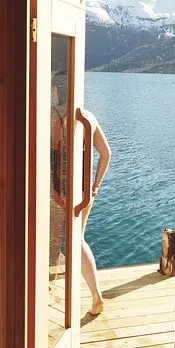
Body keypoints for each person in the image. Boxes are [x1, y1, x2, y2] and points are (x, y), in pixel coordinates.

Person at [51, 73, 111, 316]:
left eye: (55, 87)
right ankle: (89, 294)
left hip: (65, 192)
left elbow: (56, 162)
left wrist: (56, 192)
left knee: (72, 242)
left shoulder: (58, 118)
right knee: (78, 238)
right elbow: (106, 154)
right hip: (85, 191)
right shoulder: (88, 117)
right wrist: (95, 185)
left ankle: (96, 297)